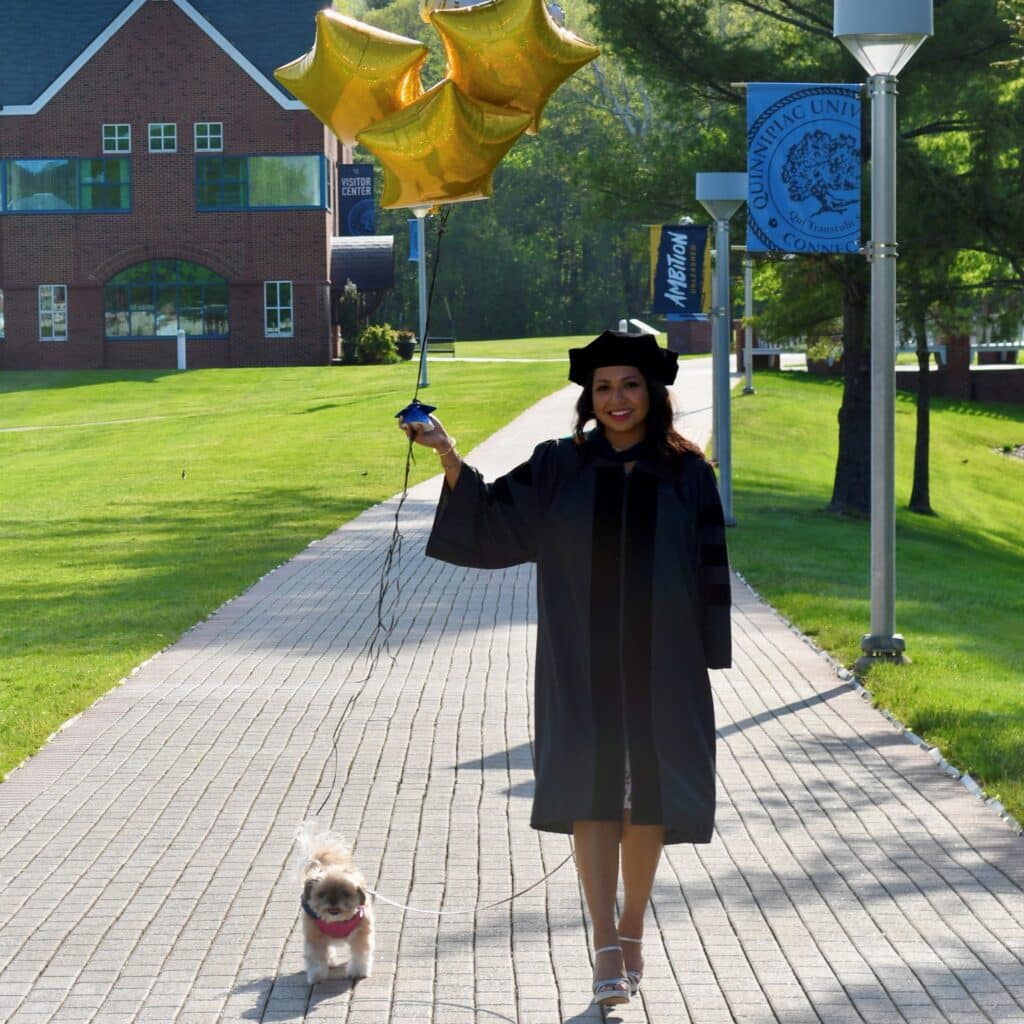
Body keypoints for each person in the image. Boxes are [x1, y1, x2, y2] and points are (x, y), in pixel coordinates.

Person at [399, 330, 731, 1008]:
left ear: (653, 393)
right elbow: (493, 516)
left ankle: (633, 927)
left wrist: (707, 653)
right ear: (589, 397)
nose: (616, 399)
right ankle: (604, 942)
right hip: (580, 660)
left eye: (629, 385)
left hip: (664, 663)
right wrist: (448, 454)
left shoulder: (688, 472)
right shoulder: (559, 465)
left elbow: (710, 567)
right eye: (603, 387)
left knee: (649, 800)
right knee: (591, 792)